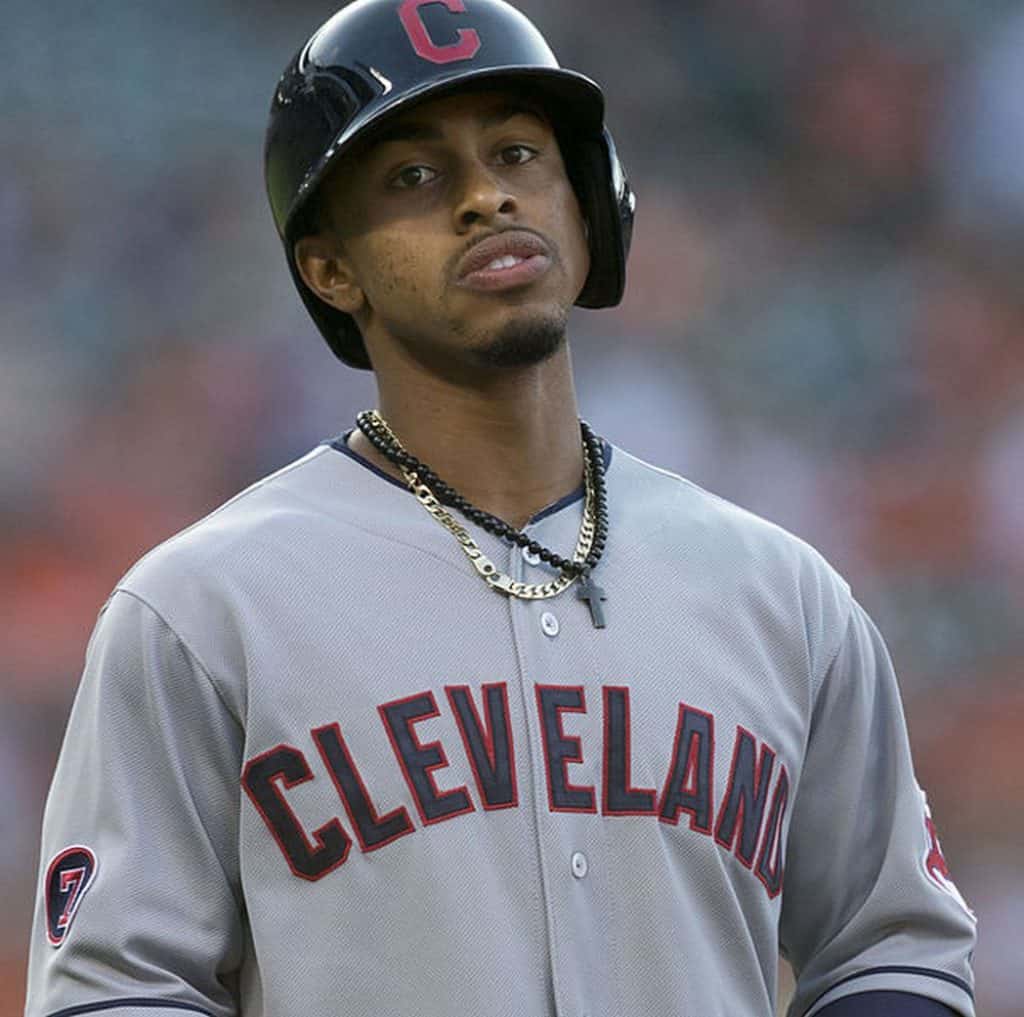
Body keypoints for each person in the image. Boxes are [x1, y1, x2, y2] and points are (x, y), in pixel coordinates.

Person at [26, 2, 977, 1016]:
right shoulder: (203, 608)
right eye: (414, 176)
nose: (485, 197)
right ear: (328, 268)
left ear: (585, 202)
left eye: (519, 153)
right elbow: (117, 987)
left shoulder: (780, 594)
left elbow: (896, 951)